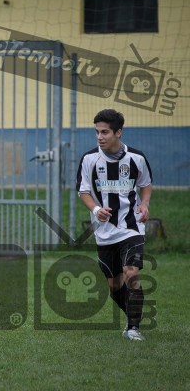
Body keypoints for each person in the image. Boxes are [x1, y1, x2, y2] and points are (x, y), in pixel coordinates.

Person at [76, 109, 152, 341]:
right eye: (97, 132)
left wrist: (145, 204)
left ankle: (133, 328)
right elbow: (83, 191)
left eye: (105, 132)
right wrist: (96, 210)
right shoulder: (89, 159)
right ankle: (132, 315)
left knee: (131, 273)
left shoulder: (136, 158)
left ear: (118, 132)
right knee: (114, 285)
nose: (100, 137)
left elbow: (146, 184)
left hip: (131, 226)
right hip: (104, 232)